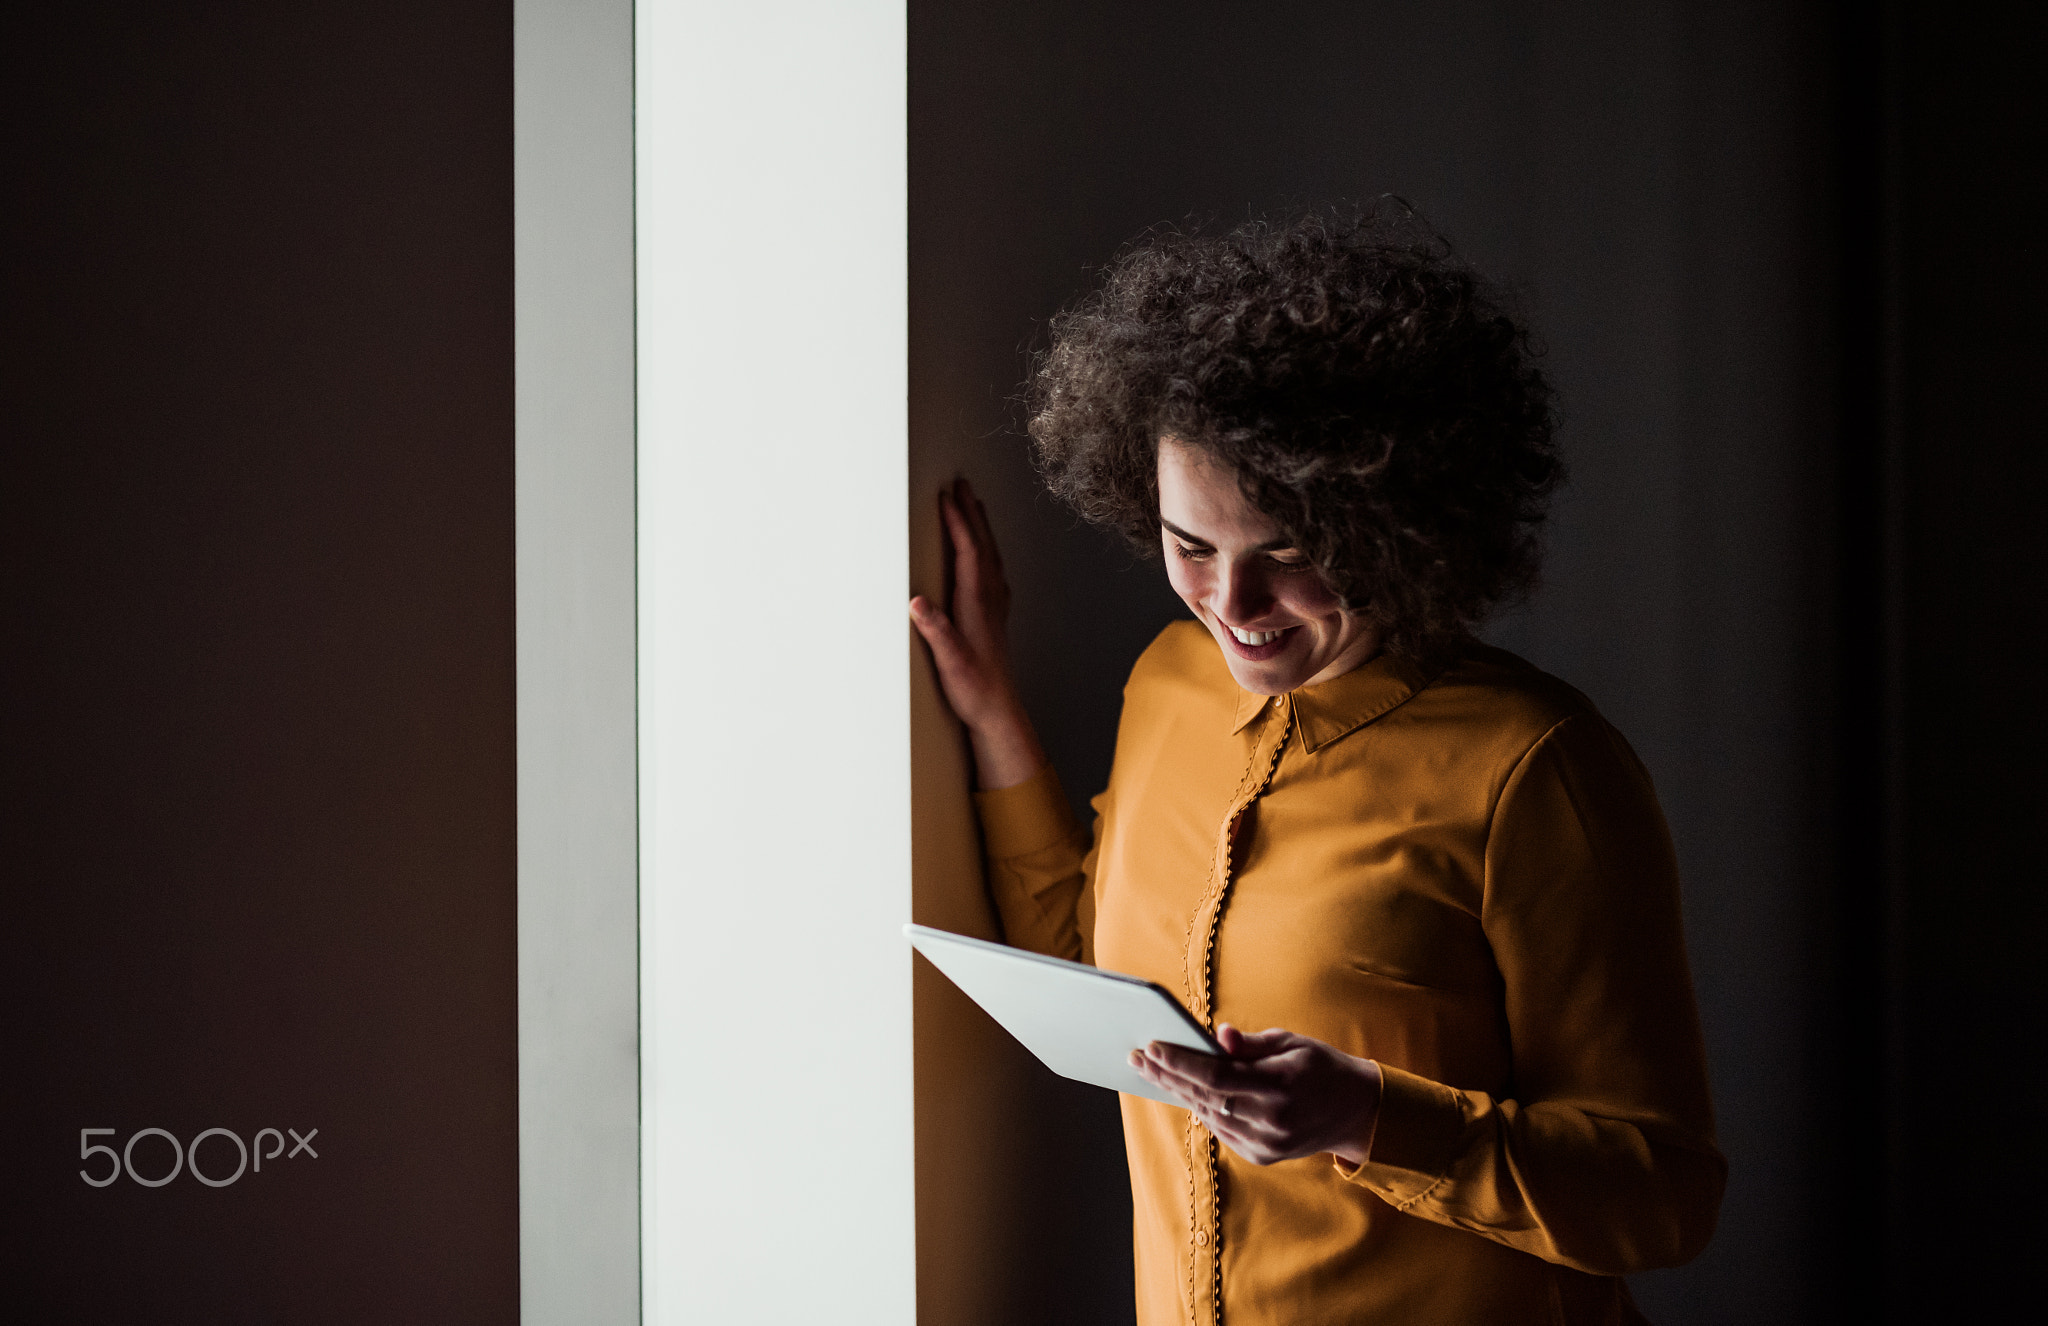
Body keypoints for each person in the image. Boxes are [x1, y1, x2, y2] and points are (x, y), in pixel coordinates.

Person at [908, 212, 1723, 1326]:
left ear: (1397, 526)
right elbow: (1101, 971)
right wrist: (990, 718)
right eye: (1188, 546)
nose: (1229, 609)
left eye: (1287, 556)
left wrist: (1369, 1119)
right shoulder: (1168, 682)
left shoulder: (1535, 768)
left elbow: (1660, 1201)